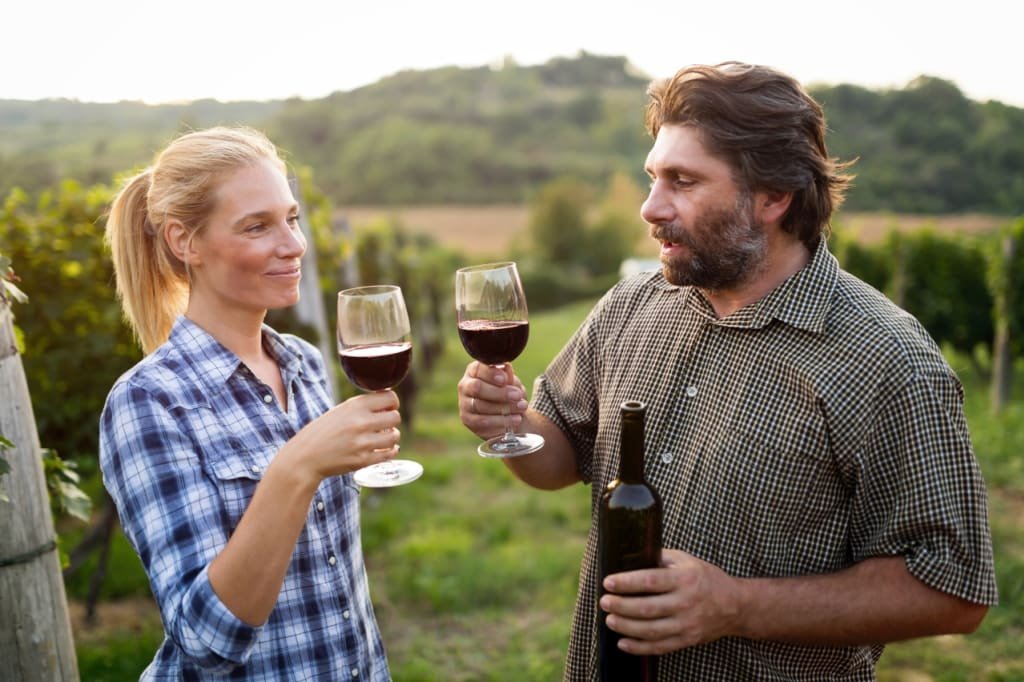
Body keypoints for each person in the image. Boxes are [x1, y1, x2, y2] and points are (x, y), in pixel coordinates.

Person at [458, 62, 998, 680]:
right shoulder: (631, 307)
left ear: (774, 196)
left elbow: (952, 591)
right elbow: (557, 458)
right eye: (653, 178)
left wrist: (735, 607)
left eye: (683, 182)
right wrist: (509, 423)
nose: (650, 207)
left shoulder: (887, 361)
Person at [100, 126, 397, 680]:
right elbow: (205, 640)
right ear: (184, 242)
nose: (292, 245)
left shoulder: (304, 364)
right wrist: (297, 466)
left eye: (290, 218)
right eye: (257, 226)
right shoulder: (149, 403)